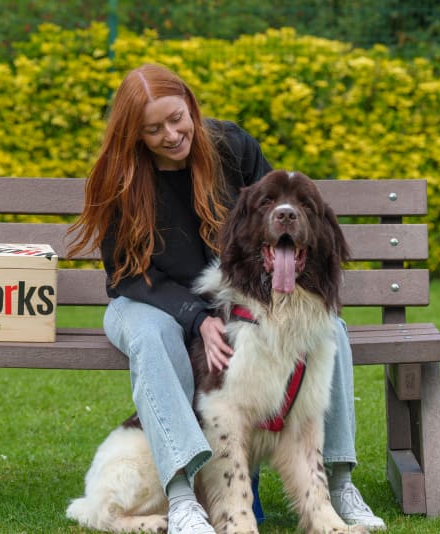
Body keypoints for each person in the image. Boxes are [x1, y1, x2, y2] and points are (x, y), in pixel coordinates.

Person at [67, 63, 385, 533]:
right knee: (155, 337)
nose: (171, 135)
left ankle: (337, 483)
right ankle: (182, 498)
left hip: (224, 295)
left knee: (330, 329)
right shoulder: (121, 177)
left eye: (177, 119)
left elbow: (271, 211)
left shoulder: (231, 146)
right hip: (144, 300)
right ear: (134, 134)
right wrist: (197, 316)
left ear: (190, 106)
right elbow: (126, 276)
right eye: (153, 130)